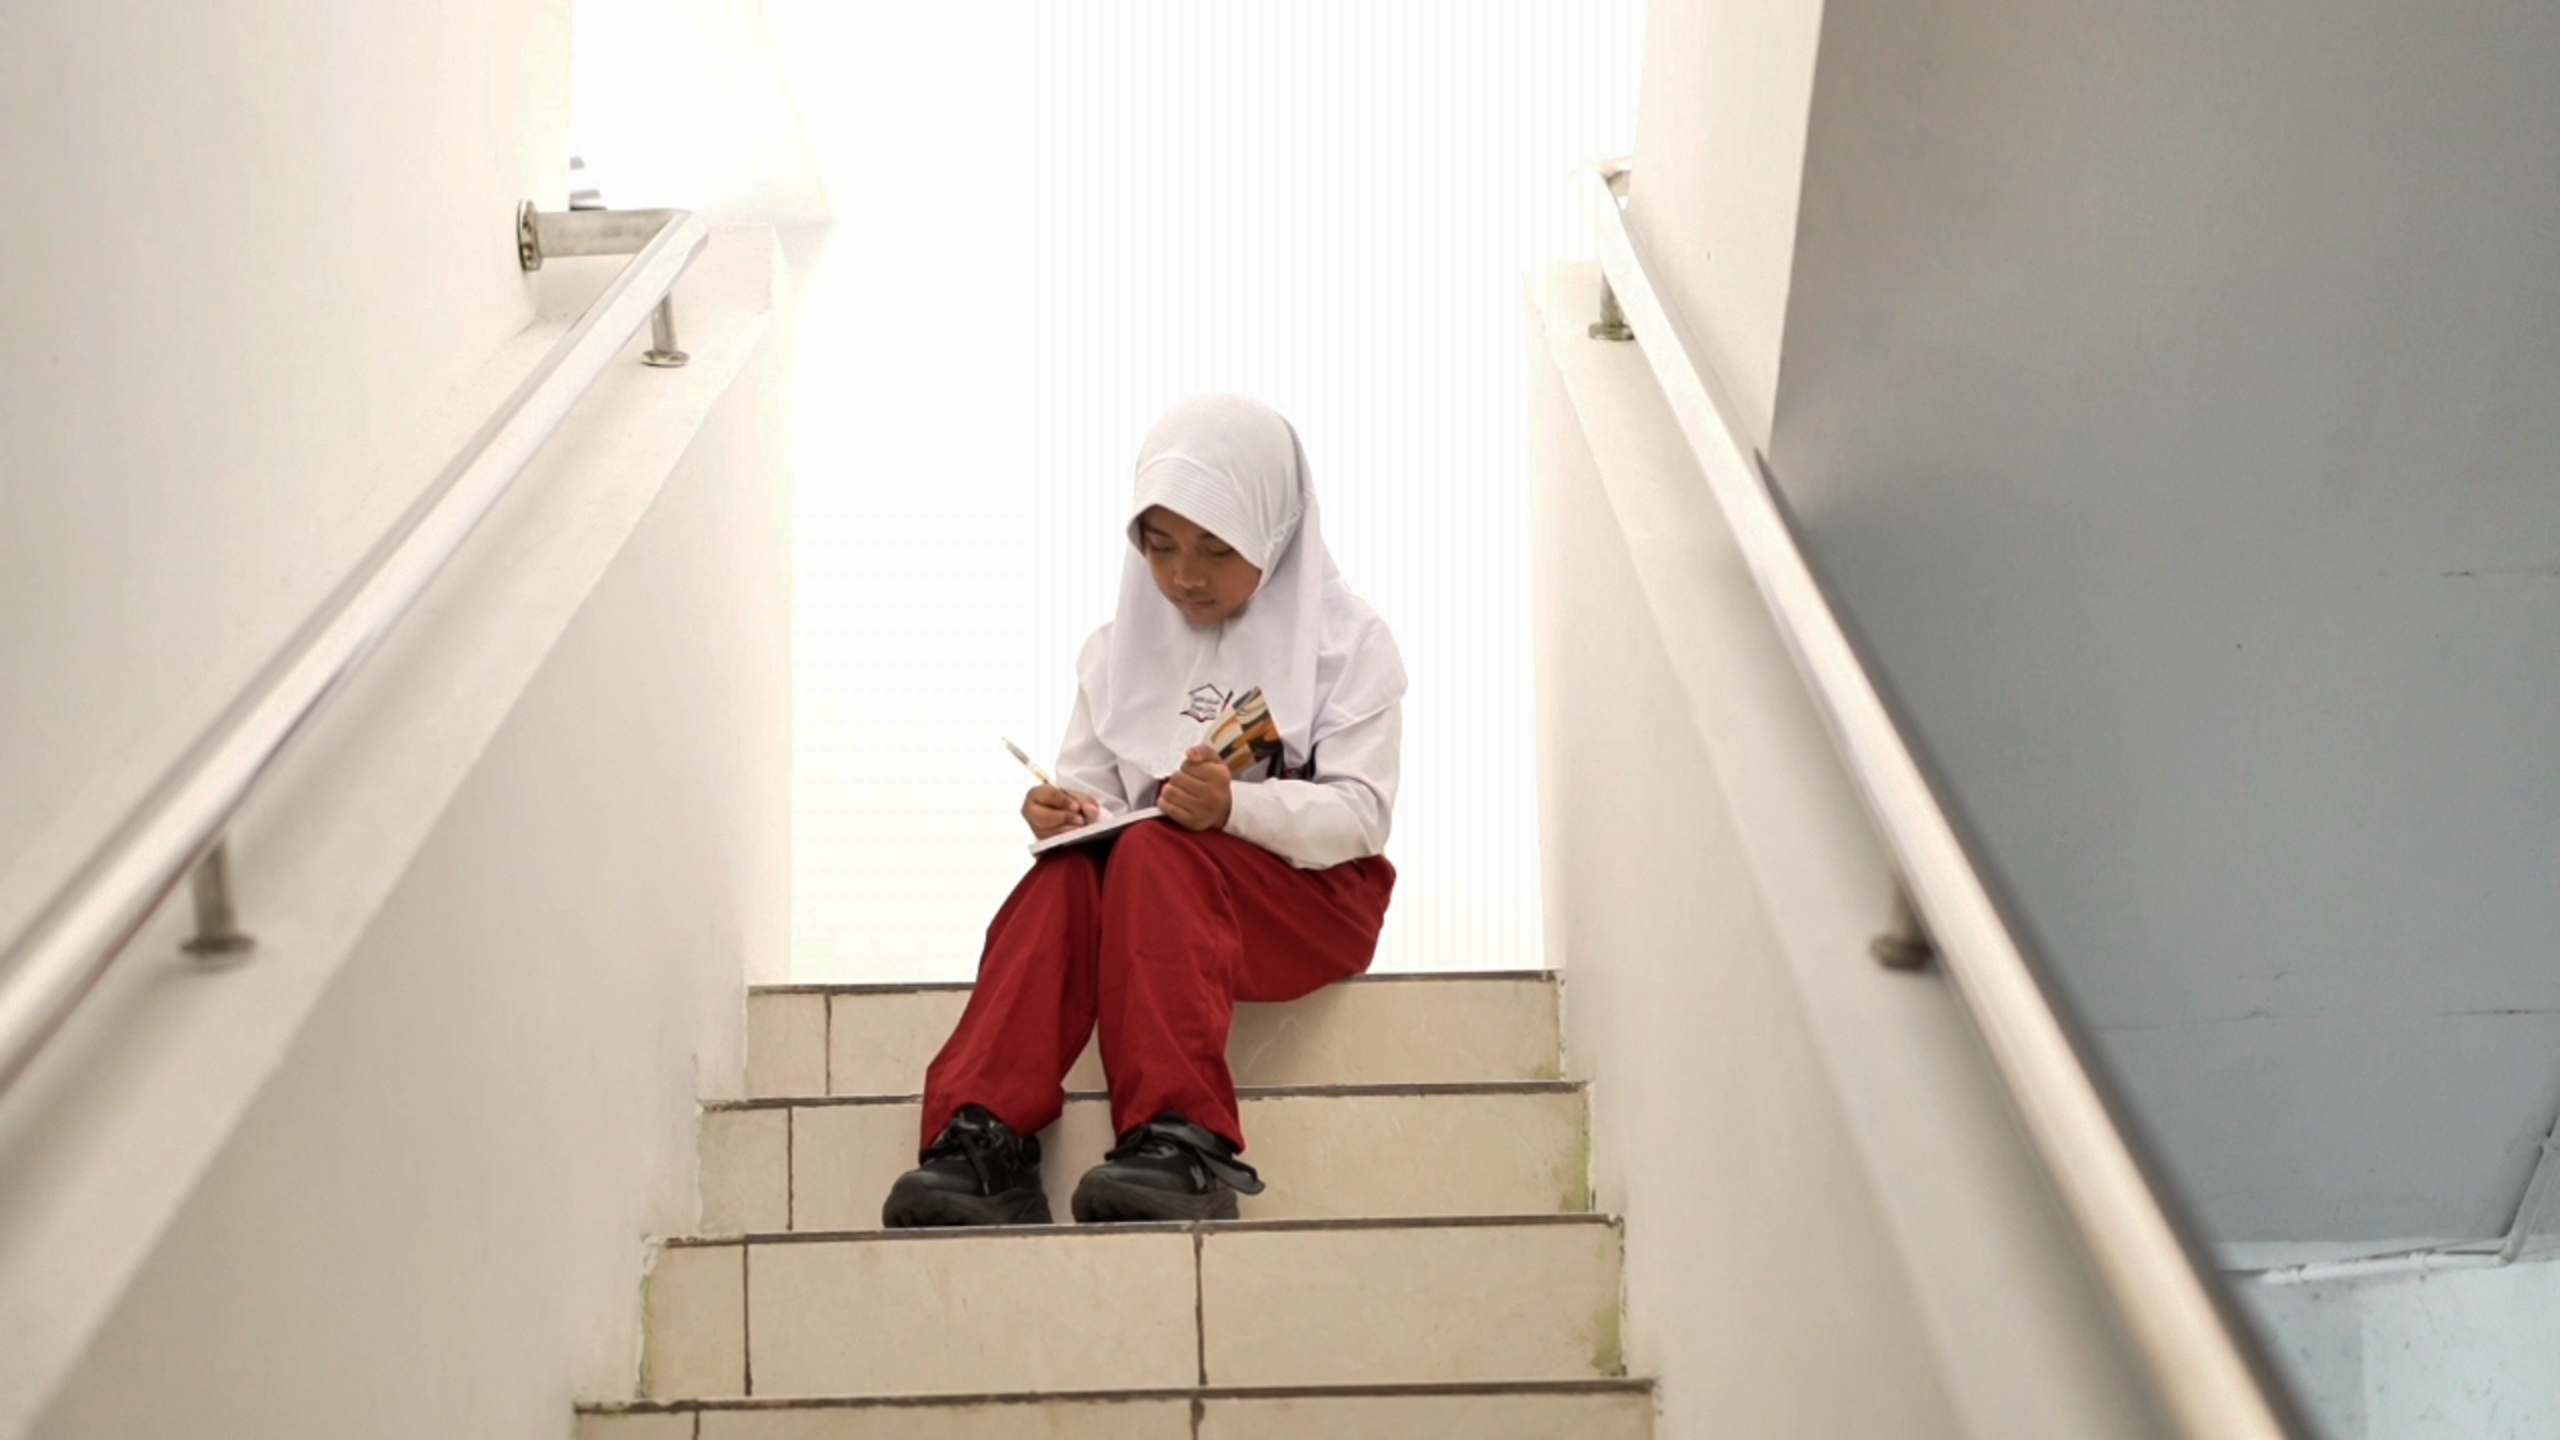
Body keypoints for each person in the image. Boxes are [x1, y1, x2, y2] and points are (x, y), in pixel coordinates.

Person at [882, 394, 1404, 1227]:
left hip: (1311, 902)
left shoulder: (1348, 642)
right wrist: (1066, 814)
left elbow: (1360, 814)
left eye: (1216, 548)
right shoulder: (1117, 648)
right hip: (1160, 893)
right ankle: (983, 1140)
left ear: (1274, 532)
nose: (1185, 576)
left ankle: (1180, 1138)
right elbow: (1097, 794)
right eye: (1159, 546)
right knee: (1066, 876)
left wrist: (1233, 808)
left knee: (1159, 853)